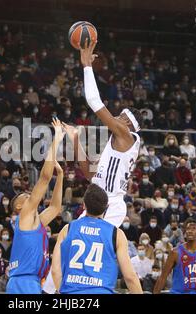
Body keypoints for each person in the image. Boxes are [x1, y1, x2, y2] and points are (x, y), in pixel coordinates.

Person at [62, 39, 142, 228]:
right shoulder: (117, 144)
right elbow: (91, 174)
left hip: (110, 203)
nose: (114, 117)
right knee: (69, 236)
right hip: (99, 199)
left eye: (119, 115)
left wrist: (87, 66)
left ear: (128, 122)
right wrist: (75, 140)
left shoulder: (126, 135)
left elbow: (93, 100)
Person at [7, 118, 64, 294]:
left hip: (32, 282)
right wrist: (57, 139)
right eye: (24, 196)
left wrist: (60, 175)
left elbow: (55, 208)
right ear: (18, 207)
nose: (28, 195)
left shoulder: (35, 222)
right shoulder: (24, 215)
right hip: (23, 283)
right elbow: (44, 178)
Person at [51, 183, 143, 294]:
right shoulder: (116, 234)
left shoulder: (68, 229)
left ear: (84, 205)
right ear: (107, 207)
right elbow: (130, 277)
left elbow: (56, 271)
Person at [154, 218, 196, 294]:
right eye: (188, 229)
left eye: (194, 228)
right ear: (184, 233)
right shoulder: (175, 252)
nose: (190, 231)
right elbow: (163, 277)